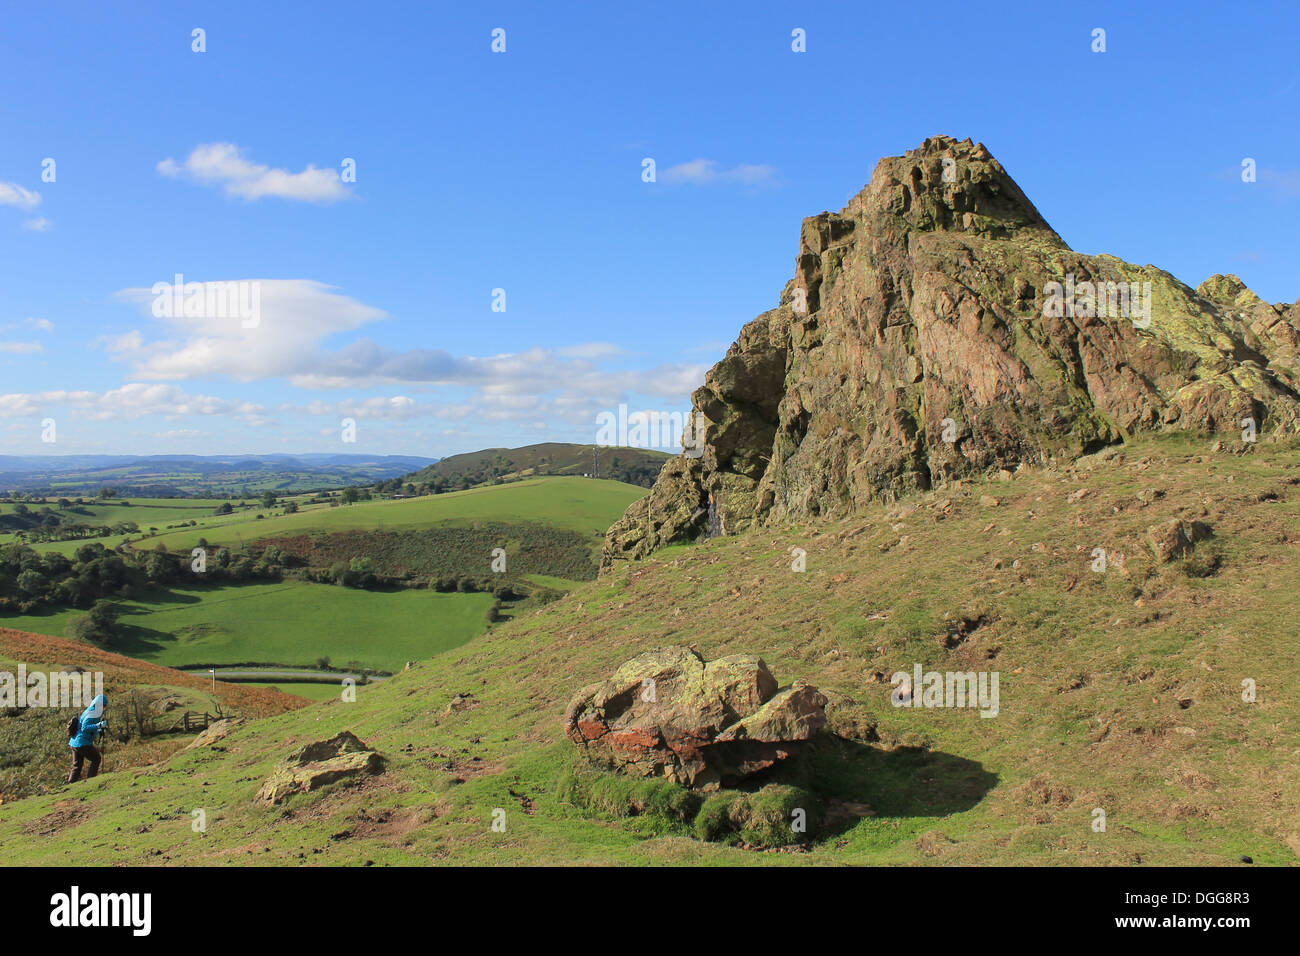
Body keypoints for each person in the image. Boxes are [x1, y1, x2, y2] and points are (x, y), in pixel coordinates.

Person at [67, 693, 108, 783]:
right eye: (103, 705)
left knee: (77, 765)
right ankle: (90, 780)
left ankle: (71, 784)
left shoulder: (89, 711)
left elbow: (86, 728)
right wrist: (99, 725)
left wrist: (98, 729)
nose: (103, 708)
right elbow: (84, 728)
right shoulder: (93, 713)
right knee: (96, 758)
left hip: (74, 742)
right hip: (82, 742)